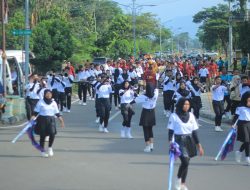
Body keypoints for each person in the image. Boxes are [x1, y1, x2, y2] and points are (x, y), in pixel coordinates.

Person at [168, 98, 204, 190]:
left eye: (188, 104)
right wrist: (170, 143)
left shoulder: (191, 115)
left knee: (187, 163)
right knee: (185, 162)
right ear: (180, 105)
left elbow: (195, 132)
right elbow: (170, 131)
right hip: (178, 140)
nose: (187, 106)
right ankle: (178, 179)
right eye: (184, 104)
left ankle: (183, 184)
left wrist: (199, 145)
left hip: (189, 140)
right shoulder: (174, 116)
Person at [33, 89, 65, 157]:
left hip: (51, 120)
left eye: (50, 94)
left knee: (52, 133)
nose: (48, 95)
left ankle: (50, 148)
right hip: (42, 120)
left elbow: (57, 113)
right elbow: (35, 112)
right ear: (44, 94)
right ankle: (42, 151)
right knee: (42, 136)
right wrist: (32, 118)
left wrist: (61, 121)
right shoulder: (40, 102)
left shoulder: (53, 102)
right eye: (47, 93)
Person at [135, 83, 159, 152]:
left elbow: (135, 100)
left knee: (145, 130)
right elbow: (156, 89)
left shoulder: (143, 96)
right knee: (150, 129)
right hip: (152, 113)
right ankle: (151, 145)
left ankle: (147, 146)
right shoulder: (155, 95)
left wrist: (128, 104)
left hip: (145, 112)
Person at [234, 92, 250, 165]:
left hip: (249, 124)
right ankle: (247, 158)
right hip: (242, 124)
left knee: (248, 141)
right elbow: (236, 116)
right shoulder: (240, 107)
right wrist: (234, 124)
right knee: (246, 140)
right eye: (248, 98)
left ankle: (239, 152)